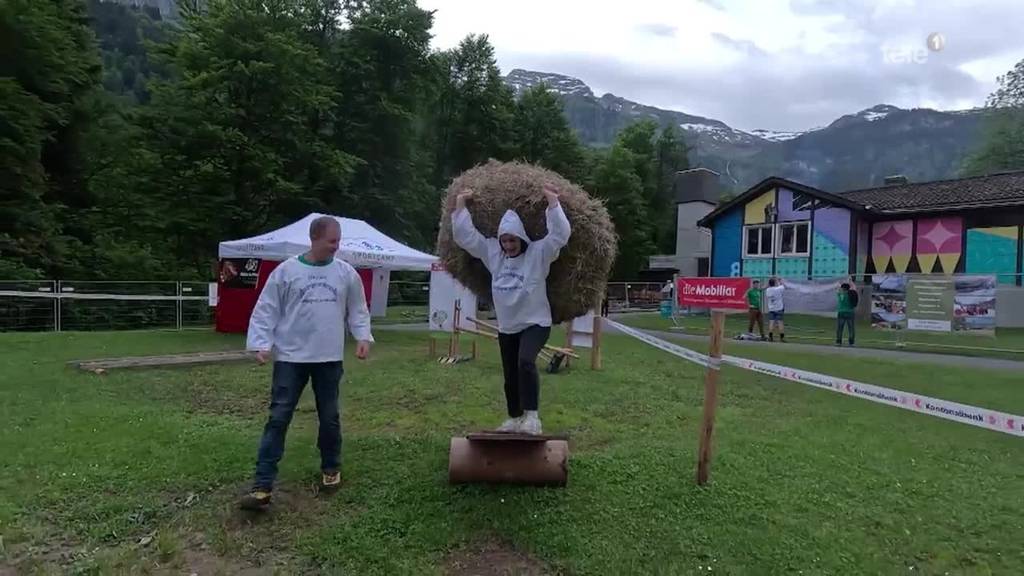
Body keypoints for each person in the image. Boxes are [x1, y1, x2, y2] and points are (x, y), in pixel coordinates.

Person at [239, 216, 373, 510]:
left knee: (329, 417)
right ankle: (262, 485)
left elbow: (358, 309)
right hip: (291, 358)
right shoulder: (287, 272)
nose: (336, 247)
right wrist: (261, 342)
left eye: (338, 241)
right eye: (332, 241)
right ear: (314, 238)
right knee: (278, 417)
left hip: (328, 358)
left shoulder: (345, 273)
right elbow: (266, 309)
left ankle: (331, 468)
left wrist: (362, 336)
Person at [452, 183, 571, 435]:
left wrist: (553, 204)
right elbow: (467, 237)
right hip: (507, 326)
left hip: (536, 323)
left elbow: (560, 235)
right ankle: (515, 417)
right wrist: (461, 205)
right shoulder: (493, 252)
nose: (508, 245)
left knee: (526, 362)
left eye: (512, 240)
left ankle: (532, 417)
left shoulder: (538, 254)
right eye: (504, 240)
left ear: (521, 238)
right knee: (510, 373)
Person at [836, 282, 858, 346]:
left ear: (842, 288)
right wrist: (851, 282)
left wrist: (839, 284)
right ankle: (851, 342)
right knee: (851, 328)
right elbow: (854, 288)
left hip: (841, 312)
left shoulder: (840, 294)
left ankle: (839, 342)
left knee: (840, 328)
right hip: (850, 312)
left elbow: (838, 289)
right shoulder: (851, 294)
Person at [765, 277, 786, 342]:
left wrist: (773, 280)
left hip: (771, 309)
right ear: (775, 283)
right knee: (780, 323)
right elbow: (784, 286)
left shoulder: (768, 290)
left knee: (771, 323)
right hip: (779, 308)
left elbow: (768, 286)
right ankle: (781, 338)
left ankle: (770, 337)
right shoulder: (778, 289)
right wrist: (780, 280)